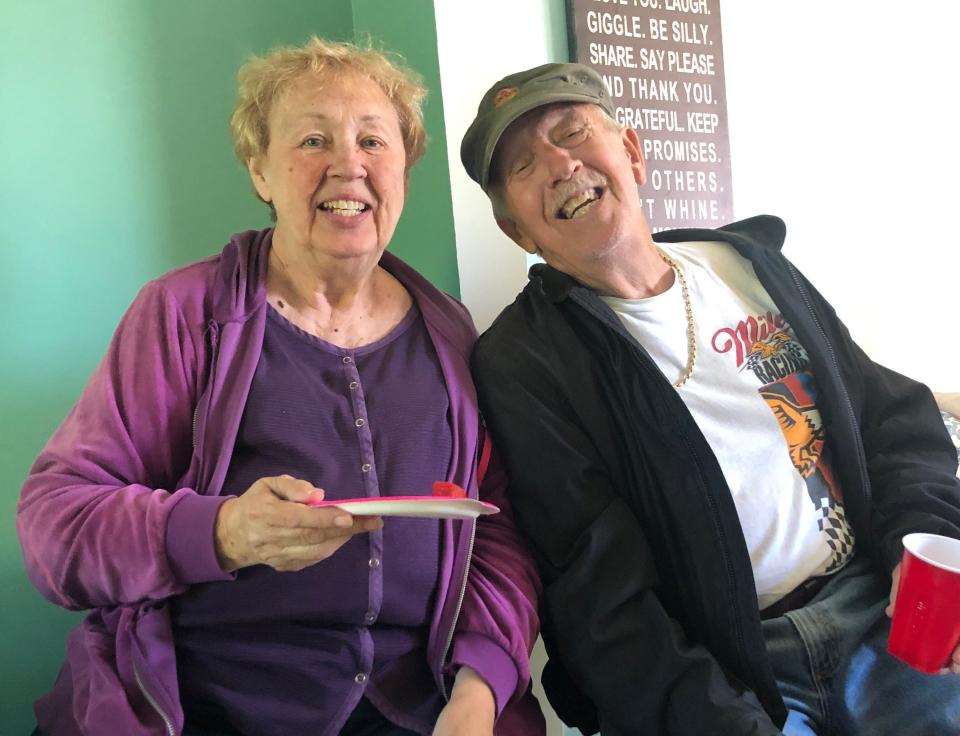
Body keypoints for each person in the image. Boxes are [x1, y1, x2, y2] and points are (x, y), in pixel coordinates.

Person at [17, 38, 545, 736]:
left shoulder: (450, 331)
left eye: (373, 141)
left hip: (420, 709)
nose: (348, 164)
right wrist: (225, 532)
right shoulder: (185, 315)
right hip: (208, 707)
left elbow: (493, 526)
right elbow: (55, 527)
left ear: (404, 169)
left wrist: (480, 689)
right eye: (313, 139)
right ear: (260, 170)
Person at [459, 62, 960, 735]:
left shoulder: (753, 266)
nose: (558, 163)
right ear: (518, 230)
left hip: (883, 614)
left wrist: (924, 543)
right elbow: (599, 595)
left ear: (631, 153)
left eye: (572, 131)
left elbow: (889, 421)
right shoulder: (525, 361)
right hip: (732, 673)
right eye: (522, 165)